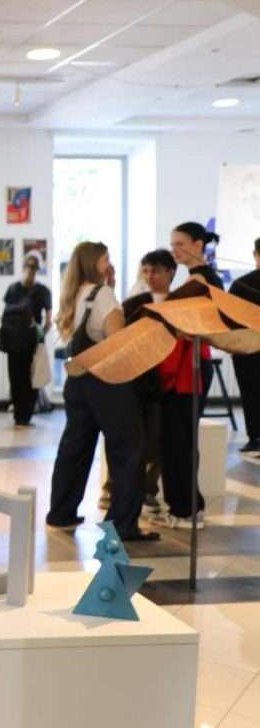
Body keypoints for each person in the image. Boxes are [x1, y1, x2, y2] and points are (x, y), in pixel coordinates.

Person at [46, 242, 158, 541]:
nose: (109, 263)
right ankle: (122, 524)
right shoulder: (103, 294)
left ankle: (61, 513)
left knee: (75, 448)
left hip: (78, 380)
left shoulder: (73, 294)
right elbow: (117, 339)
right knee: (128, 449)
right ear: (93, 262)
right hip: (107, 382)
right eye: (105, 258)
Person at [150, 222, 223, 529]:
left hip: (189, 366)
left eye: (180, 244)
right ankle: (187, 506)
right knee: (180, 439)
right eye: (172, 244)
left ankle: (184, 510)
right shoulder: (198, 277)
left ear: (198, 245)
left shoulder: (200, 279)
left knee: (179, 440)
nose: (174, 250)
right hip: (188, 363)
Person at [100, 250, 177, 515]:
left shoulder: (178, 304)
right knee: (126, 437)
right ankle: (112, 489)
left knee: (156, 439)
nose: (150, 276)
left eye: (155, 271)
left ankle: (147, 491)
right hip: (135, 377)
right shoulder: (134, 304)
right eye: (146, 271)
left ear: (170, 272)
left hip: (164, 380)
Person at [1, 255, 52, 427]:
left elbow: (48, 321)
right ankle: (23, 415)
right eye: (29, 268)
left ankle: (21, 415)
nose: (30, 272)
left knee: (20, 377)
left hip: (20, 341)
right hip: (23, 341)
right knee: (25, 378)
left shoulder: (16, 289)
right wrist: (41, 336)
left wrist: (40, 338)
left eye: (32, 269)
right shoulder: (39, 291)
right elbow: (48, 321)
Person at [230, 238, 260, 455]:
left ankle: (255, 437)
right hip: (247, 348)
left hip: (247, 348)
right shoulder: (241, 285)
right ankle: (255, 436)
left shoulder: (240, 284)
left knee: (251, 392)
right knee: (250, 391)